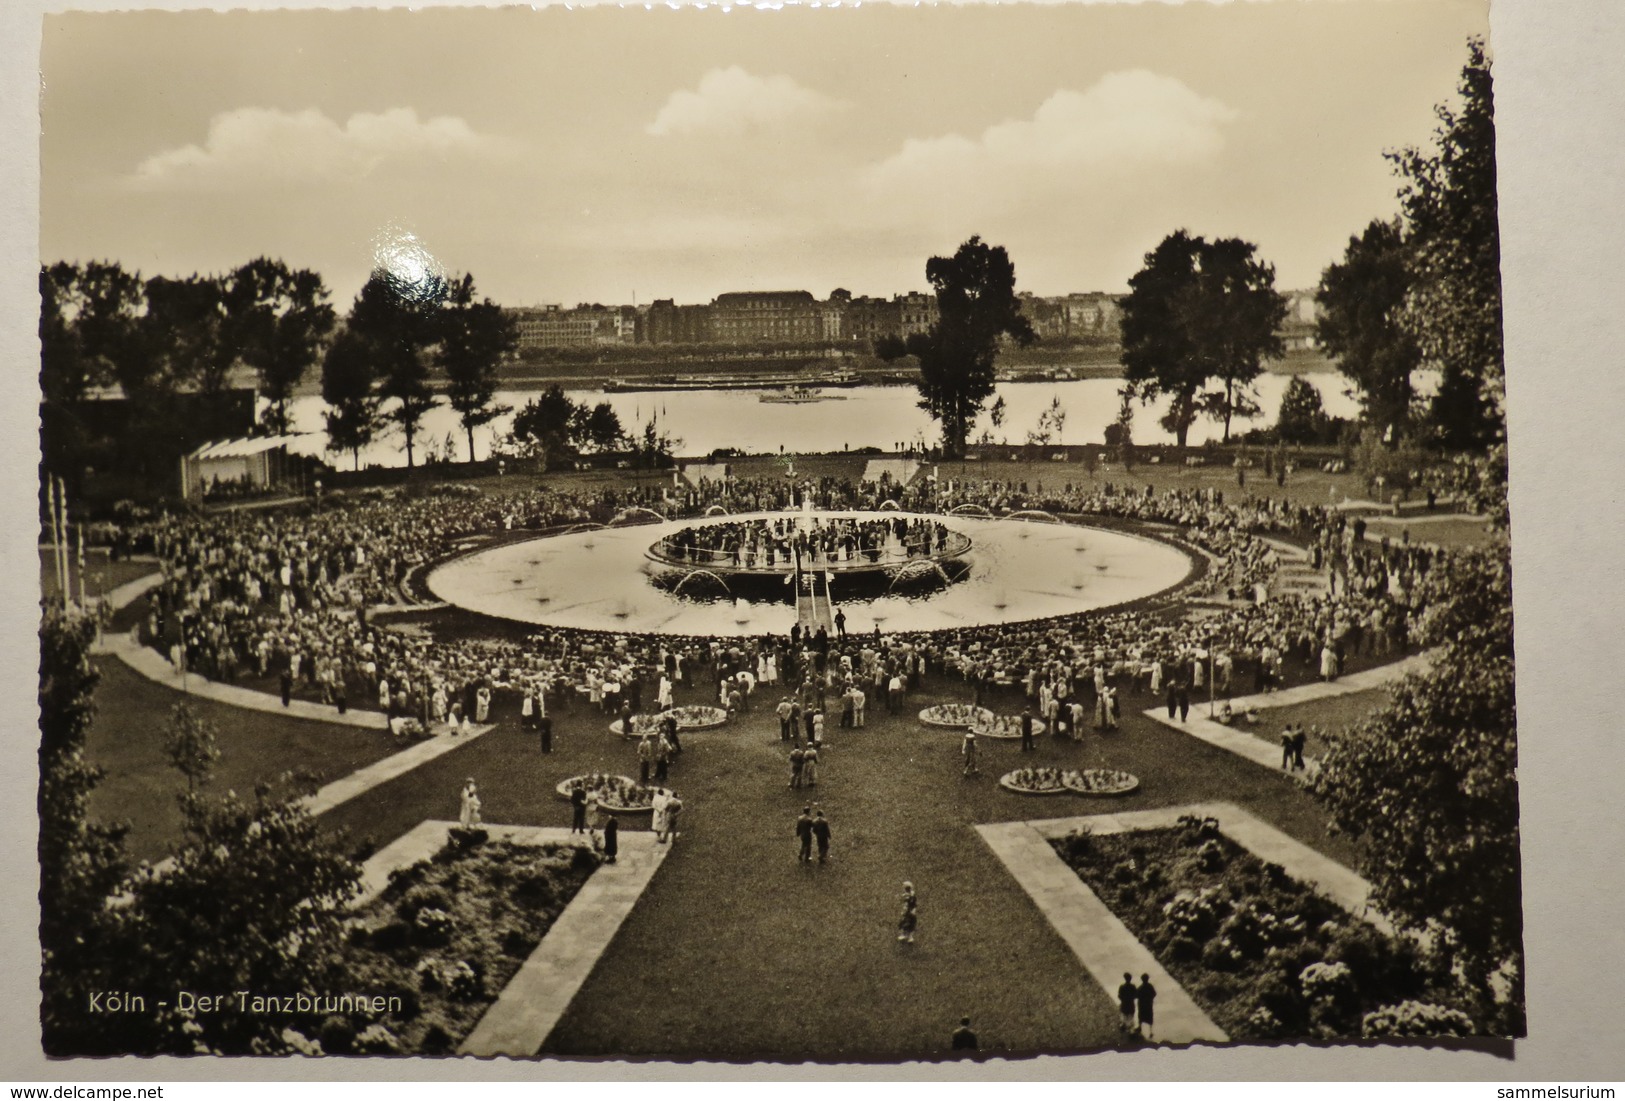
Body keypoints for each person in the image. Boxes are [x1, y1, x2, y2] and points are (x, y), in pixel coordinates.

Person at [1136, 974, 1157, 1040]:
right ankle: (1150, 1031)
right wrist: (1151, 998)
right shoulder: (1150, 986)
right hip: (1148, 1004)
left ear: (1142, 980)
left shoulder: (1140, 987)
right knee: (1150, 1016)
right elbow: (1154, 993)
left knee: (1141, 1015)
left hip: (1142, 1004)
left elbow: (1136, 995)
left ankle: (1140, 1027)